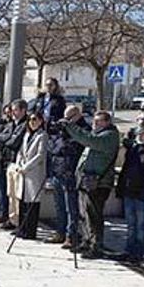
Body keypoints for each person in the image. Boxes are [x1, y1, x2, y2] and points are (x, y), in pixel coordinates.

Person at [65, 111, 120, 259]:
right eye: (94, 121)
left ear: (107, 122)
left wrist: (70, 127)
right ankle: (86, 240)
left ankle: (96, 246)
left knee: (94, 216)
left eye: (98, 122)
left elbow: (88, 139)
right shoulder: (98, 134)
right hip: (86, 181)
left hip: (99, 183)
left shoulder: (109, 136)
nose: (94, 124)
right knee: (84, 214)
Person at [47, 105, 88, 247]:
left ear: (78, 115)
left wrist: (67, 133)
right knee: (59, 205)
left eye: (69, 118)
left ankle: (72, 235)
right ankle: (60, 232)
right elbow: (52, 146)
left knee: (71, 207)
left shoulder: (83, 129)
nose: (66, 121)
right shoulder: (63, 129)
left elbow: (72, 148)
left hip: (70, 171)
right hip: (57, 170)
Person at [116, 122, 144, 263]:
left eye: (142, 133)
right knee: (131, 224)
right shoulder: (134, 148)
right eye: (138, 132)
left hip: (143, 192)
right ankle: (129, 250)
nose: (139, 135)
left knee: (141, 225)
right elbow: (126, 168)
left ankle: (138, 253)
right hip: (129, 190)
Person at [0, 100, 28, 228]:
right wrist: (6, 138)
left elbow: (14, 142)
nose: (12, 113)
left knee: (15, 194)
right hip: (4, 160)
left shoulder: (24, 124)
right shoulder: (10, 124)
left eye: (15, 110)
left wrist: (5, 139)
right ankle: (6, 215)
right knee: (6, 192)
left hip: (15, 162)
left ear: (23, 110)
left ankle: (15, 220)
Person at [13, 113, 48, 240]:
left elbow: (40, 155)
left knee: (32, 203)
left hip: (34, 173)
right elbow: (21, 152)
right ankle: (21, 229)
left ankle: (30, 231)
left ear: (40, 121)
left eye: (35, 120)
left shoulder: (42, 135)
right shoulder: (27, 135)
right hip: (23, 172)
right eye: (30, 120)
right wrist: (18, 164)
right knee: (22, 201)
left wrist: (26, 167)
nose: (32, 122)